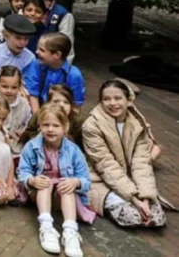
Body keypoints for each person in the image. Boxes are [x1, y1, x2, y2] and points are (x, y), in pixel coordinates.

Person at [81, 79, 167, 228]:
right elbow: (106, 165)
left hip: (128, 177)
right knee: (132, 217)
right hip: (100, 178)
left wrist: (145, 197)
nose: (112, 103)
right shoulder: (91, 125)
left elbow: (141, 163)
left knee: (157, 218)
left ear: (129, 100)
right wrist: (134, 199)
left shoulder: (137, 123)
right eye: (106, 99)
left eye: (118, 98)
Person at [18, 105, 92, 257]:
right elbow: (23, 172)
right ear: (39, 126)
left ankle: (70, 232)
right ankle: (46, 227)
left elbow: (86, 181)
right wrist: (32, 180)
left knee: (67, 186)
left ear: (65, 127)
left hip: (62, 196)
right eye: (46, 125)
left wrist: (75, 182)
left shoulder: (74, 150)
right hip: (39, 193)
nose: (50, 129)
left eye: (56, 125)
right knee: (45, 182)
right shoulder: (31, 147)